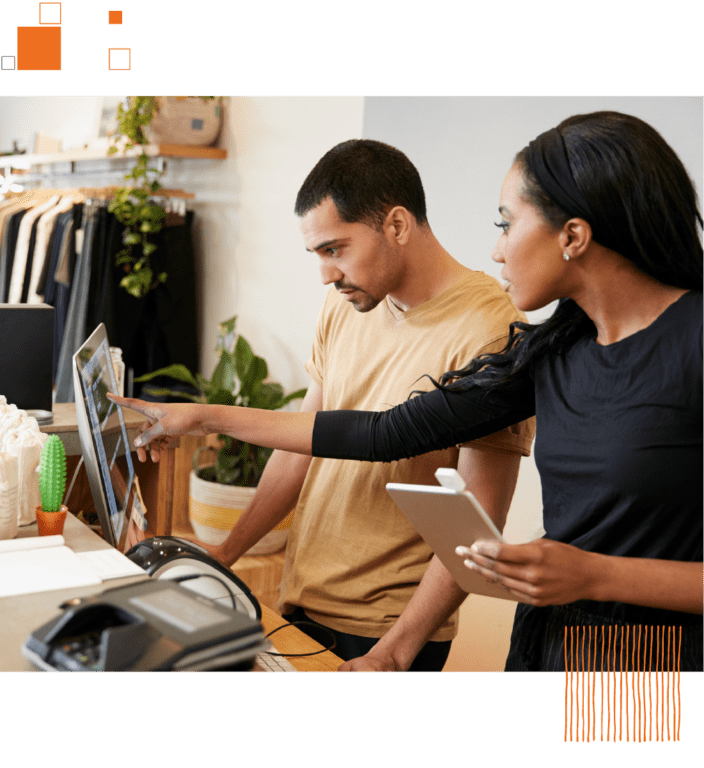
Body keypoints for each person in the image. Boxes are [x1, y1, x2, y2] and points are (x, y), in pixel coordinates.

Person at [116, 111, 703, 672]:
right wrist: (200, 420)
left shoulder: (690, 340)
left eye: (506, 223)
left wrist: (594, 576)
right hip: (549, 653)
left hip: (659, 676)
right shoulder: (554, 351)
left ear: (572, 235)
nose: (497, 247)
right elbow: (385, 431)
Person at [112, 139, 535, 672]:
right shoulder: (348, 306)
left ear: (397, 226)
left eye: (335, 249)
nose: (325, 274)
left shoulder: (490, 329)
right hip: (302, 602)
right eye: (317, 254)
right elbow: (300, 448)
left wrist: (396, 652)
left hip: (386, 631)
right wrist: (222, 558)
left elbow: (478, 520)